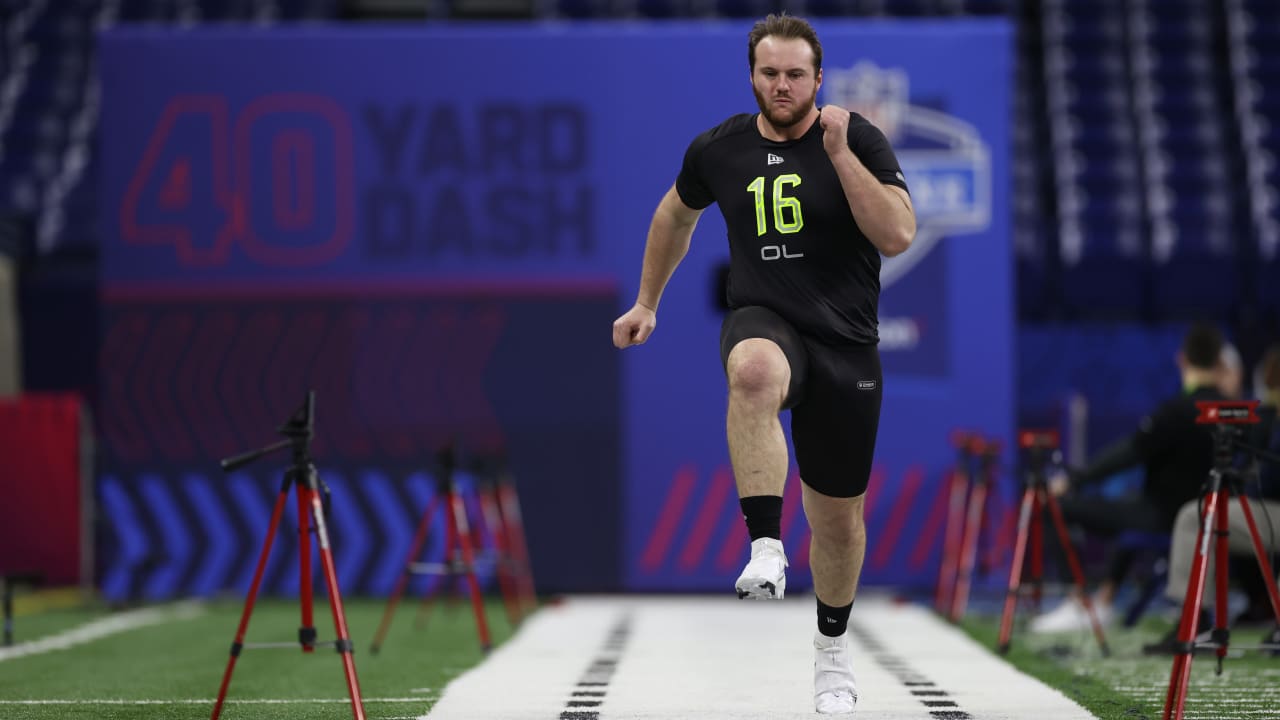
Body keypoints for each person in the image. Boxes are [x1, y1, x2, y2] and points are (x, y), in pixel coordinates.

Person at [611, 13, 915, 715]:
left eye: (795, 75)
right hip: (766, 320)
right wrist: (646, 302)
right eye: (769, 73)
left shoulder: (856, 136)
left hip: (845, 342)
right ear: (752, 75)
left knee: (838, 523)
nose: (782, 86)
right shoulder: (719, 148)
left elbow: (898, 234)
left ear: (818, 77)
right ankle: (767, 545)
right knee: (751, 371)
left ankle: (833, 654)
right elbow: (672, 216)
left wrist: (840, 154)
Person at [1031, 322, 1228, 633]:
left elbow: (1129, 453)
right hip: (1215, 516)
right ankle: (1105, 600)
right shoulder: (1234, 410)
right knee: (1129, 503)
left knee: (1052, 505)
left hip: (1162, 516)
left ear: (1181, 359)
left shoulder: (1174, 411)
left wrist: (1075, 480)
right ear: (1220, 363)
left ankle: (1077, 602)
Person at [1142, 343, 1280, 654]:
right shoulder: (1265, 418)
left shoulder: (1266, 418)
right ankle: (1203, 620)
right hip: (1271, 509)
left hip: (1273, 508)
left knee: (1197, 515)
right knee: (1205, 515)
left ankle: (1197, 622)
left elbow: (1269, 480)